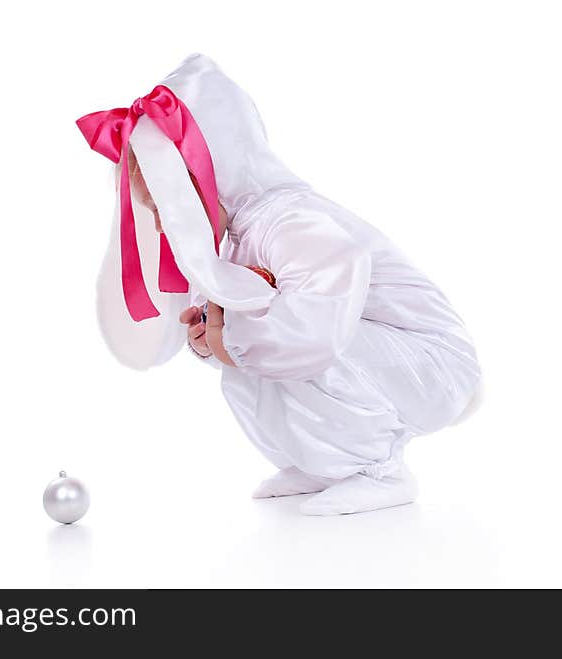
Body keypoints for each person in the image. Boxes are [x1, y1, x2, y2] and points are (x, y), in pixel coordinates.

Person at [79, 54, 482, 515]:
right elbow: (244, 339)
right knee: (252, 355)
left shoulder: (291, 221)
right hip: (386, 360)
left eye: (169, 212)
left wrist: (229, 330)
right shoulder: (236, 239)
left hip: (433, 364)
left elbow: (317, 333)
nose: (165, 229)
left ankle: (381, 471)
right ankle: (327, 463)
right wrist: (209, 336)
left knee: (293, 339)